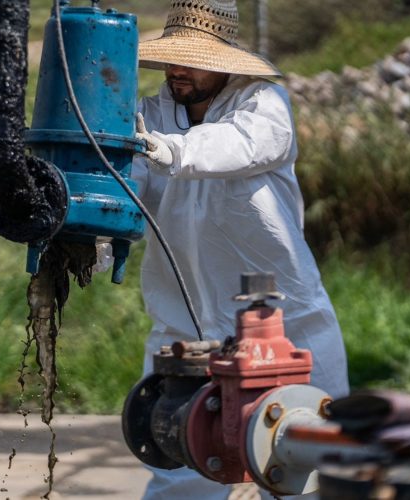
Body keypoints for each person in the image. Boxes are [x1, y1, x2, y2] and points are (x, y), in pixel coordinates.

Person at [131, 0, 350, 498]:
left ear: (224, 60)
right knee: (177, 460)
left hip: (285, 322)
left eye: (191, 58)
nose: (176, 69)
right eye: (172, 56)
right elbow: (130, 179)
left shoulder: (262, 103)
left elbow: (245, 144)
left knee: (308, 456)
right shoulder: (148, 114)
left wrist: (174, 150)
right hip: (184, 322)